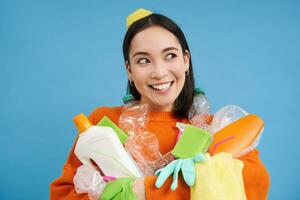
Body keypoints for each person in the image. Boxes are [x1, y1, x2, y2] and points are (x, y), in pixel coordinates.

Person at [50, 8, 270, 200]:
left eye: (170, 56)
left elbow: (254, 183)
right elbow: (62, 193)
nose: (159, 72)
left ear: (186, 61)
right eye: (143, 60)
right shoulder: (103, 123)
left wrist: (146, 191)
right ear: (129, 70)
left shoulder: (214, 130)